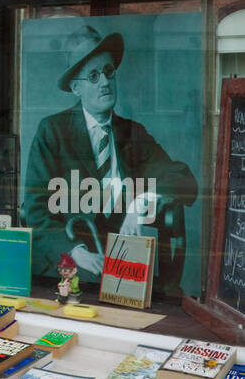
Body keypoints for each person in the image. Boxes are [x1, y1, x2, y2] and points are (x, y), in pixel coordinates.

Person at [22, 24, 197, 284]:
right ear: (75, 87)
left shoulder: (132, 133)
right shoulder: (53, 131)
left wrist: (143, 202)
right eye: (93, 76)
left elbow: (184, 180)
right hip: (69, 264)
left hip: (123, 266)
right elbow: (36, 211)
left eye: (108, 72)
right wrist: (75, 253)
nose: (105, 82)